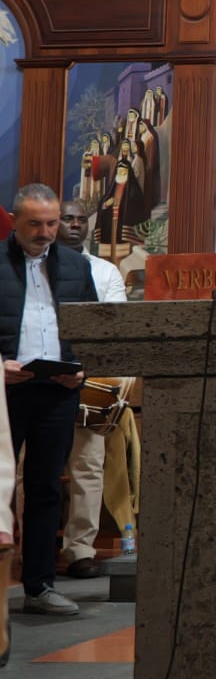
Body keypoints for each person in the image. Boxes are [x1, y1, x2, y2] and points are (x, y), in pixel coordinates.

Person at [2, 184, 98, 618]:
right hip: (3, 388)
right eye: (35, 224)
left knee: (43, 491)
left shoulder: (77, 266)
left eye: (52, 223)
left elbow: (97, 326)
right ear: (16, 222)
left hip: (57, 390)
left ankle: (39, 586)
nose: (45, 232)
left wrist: (80, 368)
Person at [57, 198, 129, 581]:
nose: (73, 225)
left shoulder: (104, 271)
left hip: (89, 379)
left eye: (80, 220)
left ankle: (80, 549)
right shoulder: (36, 267)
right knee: (26, 469)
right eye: (66, 218)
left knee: (88, 466)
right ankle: (21, 546)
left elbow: (113, 326)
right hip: (39, 378)